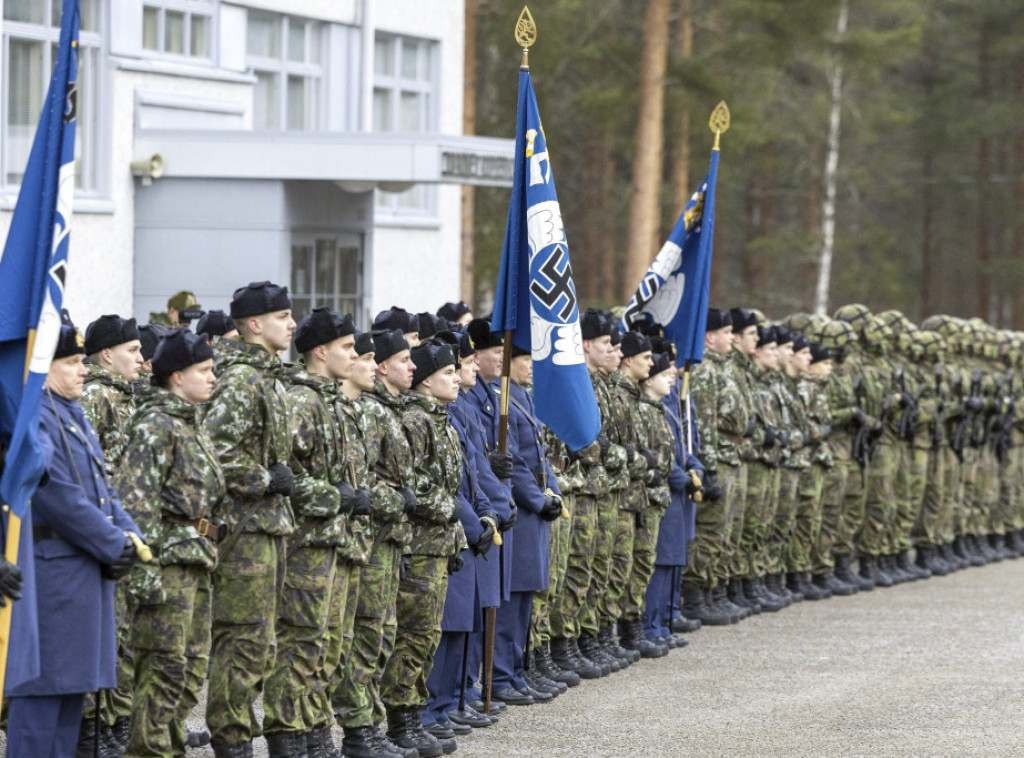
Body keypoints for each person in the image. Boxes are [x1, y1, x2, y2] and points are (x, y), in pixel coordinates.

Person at [5, 314, 141, 758]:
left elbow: (102, 492)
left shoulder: (73, 412)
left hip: (80, 578)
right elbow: (53, 493)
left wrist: (131, 536)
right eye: (72, 362)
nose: (84, 369)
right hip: (51, 582)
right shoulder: (36, 417)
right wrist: (112, 542)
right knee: (39, 709)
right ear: (45, 365)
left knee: (69, 708)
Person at [114, 328, 225, 758]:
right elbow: (133, 506)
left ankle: (169, 749)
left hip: (195, 564)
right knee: (163, 671)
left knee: (189, 672)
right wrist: (145, 580)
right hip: (166, 568)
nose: (213, 378)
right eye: (204, 370)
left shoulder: (190, 424)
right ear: (177, 376)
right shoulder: (156, 426)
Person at [264, 307, 363, 758]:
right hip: (305, 543)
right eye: (347, 347)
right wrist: (333, 497)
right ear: (320, 352)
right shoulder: (302, 401)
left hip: (333, 542)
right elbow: (284, 476)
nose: (356, 354)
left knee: (326, 643)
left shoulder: (331, 400)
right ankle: (288, 735)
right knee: (301, 642)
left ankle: (314, 730)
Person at [202, 281, 295, 757]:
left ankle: (238, 735)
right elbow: (212, 453)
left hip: (268, 528)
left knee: (261, 642)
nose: (292, 324)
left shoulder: (267, 377)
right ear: (255, 324)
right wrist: (263, 478)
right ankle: (231, 743)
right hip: (243, 531)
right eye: (283, 317)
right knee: (242, 642)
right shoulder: (240, 380)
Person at [380, 339, 466, 756]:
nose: (457, 378)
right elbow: (413, 485)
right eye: (448, 373)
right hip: (418, 543)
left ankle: (412, 714)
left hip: (437, 542)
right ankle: (400, 720)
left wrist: (458, 534)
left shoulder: (440, 419)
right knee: (412, 636)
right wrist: (447, 509)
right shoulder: (416, 420)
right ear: (428, 381)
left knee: (425, 635)